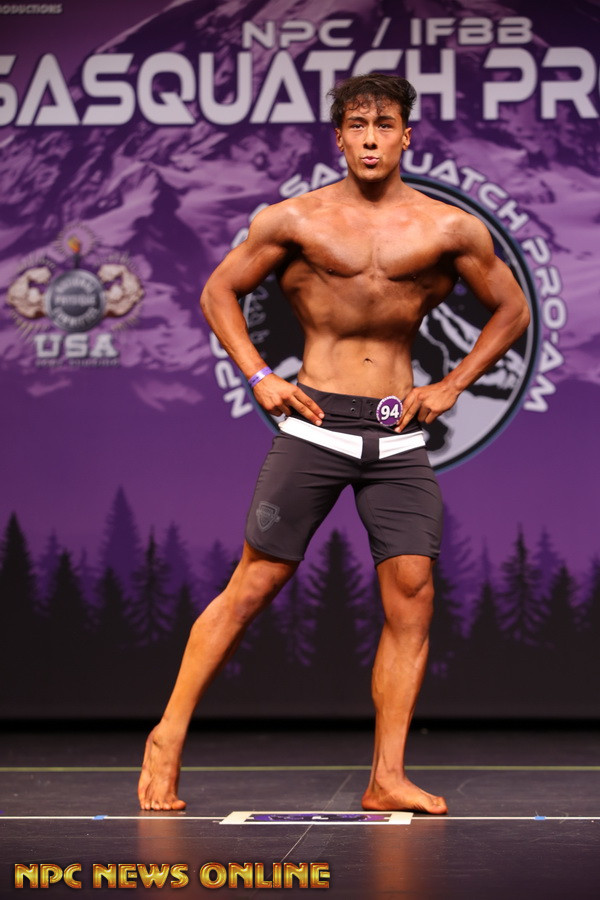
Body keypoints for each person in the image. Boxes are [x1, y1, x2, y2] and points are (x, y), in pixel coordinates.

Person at [138, 73, 530, 815]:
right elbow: (218, 291)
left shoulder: (451, 230)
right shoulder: (294, 220)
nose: (371, 138)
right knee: (254, 584)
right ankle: (167, 736)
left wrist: (452, 385)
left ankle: (387, 776)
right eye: (357, 124)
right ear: (340, 137)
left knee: (413, 595)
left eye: (384, 124)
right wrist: (259, 375)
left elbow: (512, 310)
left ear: (407, 135)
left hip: (397, 432)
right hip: (315, 424)